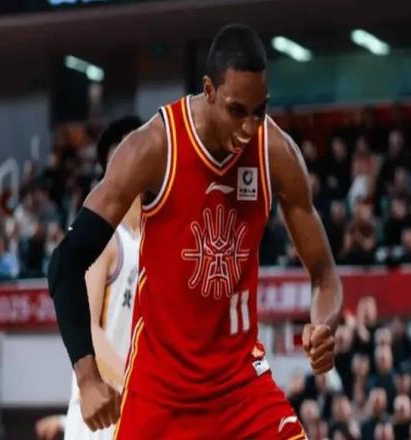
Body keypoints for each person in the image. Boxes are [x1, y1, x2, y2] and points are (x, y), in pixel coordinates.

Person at [48, 23, 342, 439]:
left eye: (259, 111)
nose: (249, 127)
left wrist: (323, 323)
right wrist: (87, 377)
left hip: (241, 387)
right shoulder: (153, 147)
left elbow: (325, 274)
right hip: (159, 393)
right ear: (209, 91)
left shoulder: (276, 153)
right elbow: (65, 261)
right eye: (237, 111)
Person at [36, 117, 142, 440]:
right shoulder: (107, 239)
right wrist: (136, 383)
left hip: (135, 408)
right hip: (100, 413)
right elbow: (90, 329)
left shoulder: (154, 240)